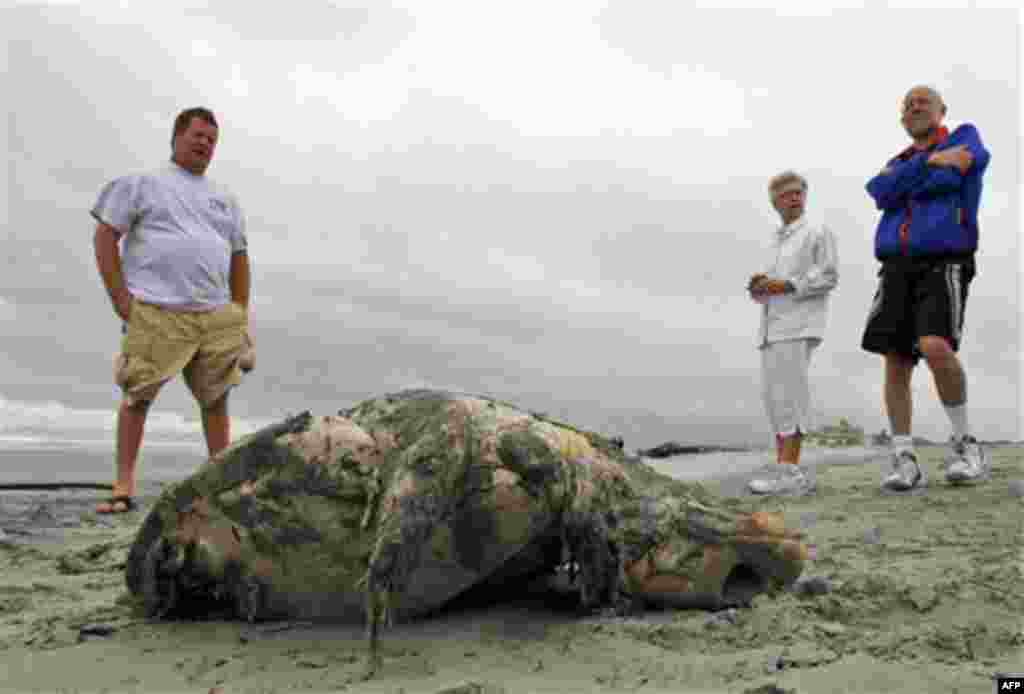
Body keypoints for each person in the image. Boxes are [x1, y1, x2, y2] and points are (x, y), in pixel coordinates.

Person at [91, 107, 253, 513]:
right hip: (157, 310)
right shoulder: (143, 184)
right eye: (198, 135)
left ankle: (220, 482)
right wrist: (120, 299)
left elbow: (239, 257)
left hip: (215, 314)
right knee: (138, 394)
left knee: (216, 398)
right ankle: (123, 486)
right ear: (177, 136)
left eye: (212, 140)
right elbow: (106, 234)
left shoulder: (225, 200)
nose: (205, 144)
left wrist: (239, 313)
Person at [861, 85, 991, 492]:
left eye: (924, 102)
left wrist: (911, 177)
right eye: (909, 104)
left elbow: (960, 166)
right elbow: (879, 192)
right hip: (895, 265)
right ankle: (904, 458)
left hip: (944, 259)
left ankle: (966, 445)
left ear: (941, 111)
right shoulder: (897, 160)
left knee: (936, 345)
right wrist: (929, 164)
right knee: (896, 360)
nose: (915, 107)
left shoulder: (964, 136)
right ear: (903, 118)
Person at [747, 171, 839, 496]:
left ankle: (792, 470)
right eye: (786, 193)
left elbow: (828, 275)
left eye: (799, 192)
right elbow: (770, 287)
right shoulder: (775, 239)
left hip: (799, 324)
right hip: (771, 327)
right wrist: (760, 286)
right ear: (774, 201)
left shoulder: (817, 231)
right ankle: (783, 467)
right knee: (773, 399)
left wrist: (786, 284)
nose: (794, 197)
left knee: (790, 395)